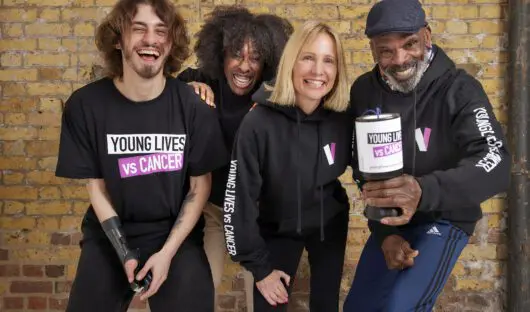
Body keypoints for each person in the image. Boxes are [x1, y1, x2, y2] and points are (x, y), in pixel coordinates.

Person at [55, 0, 228, 311]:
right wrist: (124, 252)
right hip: (110, 235)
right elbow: (97, 186)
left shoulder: (194, 109)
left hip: (175, 234)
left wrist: (166, 254)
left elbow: (199, 188)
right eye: (139, 29)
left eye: (161, 31)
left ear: (171, 42)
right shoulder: (86, 105)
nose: (151, 40)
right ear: (118, 39)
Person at [343, 0, 511, 311]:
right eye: (386, 50)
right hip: (390, 222)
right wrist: (383, 232)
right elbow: (364, 169)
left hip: (444, 218)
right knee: (358, 307)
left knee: (401, 307)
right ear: (372, 49)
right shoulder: (363, 91)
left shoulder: (461, 90)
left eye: (409, 45)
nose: (400, 59)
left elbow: (496, 160)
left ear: (427, 38)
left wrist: (422, 191)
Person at [223, 21, 352, 312]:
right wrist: (260, 268)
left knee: (325, 304)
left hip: (326, 223)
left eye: (328, 60)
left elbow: (367, 169)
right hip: (276, 226)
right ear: (291, 62)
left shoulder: (342, 117)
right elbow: (237, 202)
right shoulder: (257, 123)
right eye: (308, 57)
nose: (318, 71)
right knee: (270, 305)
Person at [177, 6, 293, 311]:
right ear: (220, 55)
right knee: (199, 291)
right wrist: (188, 88)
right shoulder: (204, 81)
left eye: (255, 57)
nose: (244, 66)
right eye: (236, 55)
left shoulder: (275, 93)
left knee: (262, 298)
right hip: (214, 208)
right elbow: (168, 89)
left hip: (256, 213)